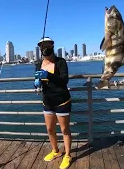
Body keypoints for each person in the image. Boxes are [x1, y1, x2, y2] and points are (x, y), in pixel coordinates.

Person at [34, 37, 72, 169]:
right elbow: (37, 79)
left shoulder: (61, 62)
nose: (44, 48)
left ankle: (67, 155)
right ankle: (55, 151)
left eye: (46, 45)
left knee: (65, 130)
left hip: (62, 101)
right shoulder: (38, 64)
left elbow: (64, 80)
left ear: (52, 45)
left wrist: (48, 75)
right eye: (41, 46)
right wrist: (36, 83)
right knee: (50, 129)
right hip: (47, 102)